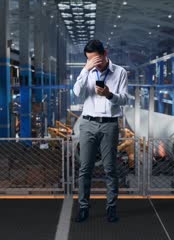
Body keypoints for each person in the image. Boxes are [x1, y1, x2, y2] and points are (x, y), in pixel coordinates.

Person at [73, 39, 128, 223]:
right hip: (88, 123)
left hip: (109, 124)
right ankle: (83, 207)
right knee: (85, 168)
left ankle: (111, 208)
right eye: (90, 60)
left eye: (96, 59)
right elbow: (77, 92)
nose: (94, 63)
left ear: (105, 53)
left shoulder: (120, 72)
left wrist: (109, 94)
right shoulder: (86, 72)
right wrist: (85, 70)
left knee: (110, 169)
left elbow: (124, 99)